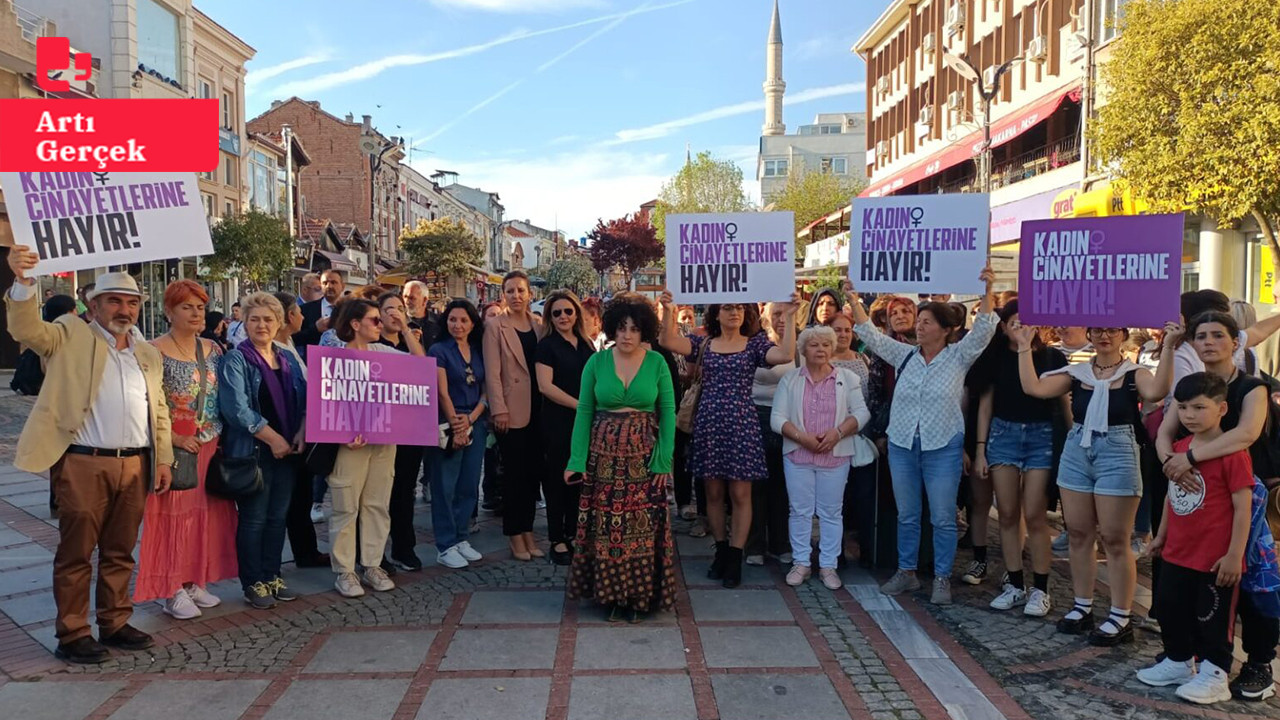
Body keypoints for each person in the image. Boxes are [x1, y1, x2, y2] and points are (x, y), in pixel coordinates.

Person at [5, 247, 172, 664]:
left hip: (135, 462)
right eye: (114, 300)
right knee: (77, 550)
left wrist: (163, 459)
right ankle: (73, 631)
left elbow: (160, 410)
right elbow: (27, 331)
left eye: (132, 302)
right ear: (94, 305)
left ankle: (114, 621)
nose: (124, 309)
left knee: (120, 550)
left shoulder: (146, 352)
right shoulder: (69, 333)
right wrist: (24, 281)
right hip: (83, 460)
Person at [1015, 322, 1179, 644]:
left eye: (1112, 331)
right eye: (1099, 330)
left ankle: (1121, 615)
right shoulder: (1078, 374)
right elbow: (1034, 388)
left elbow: (1157, 392)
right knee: (1077, 532)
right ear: (1090, 335)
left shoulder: (1134, 374)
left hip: (1118, 451)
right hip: (1078, 449)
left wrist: (1170, 346)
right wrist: (1023, 346)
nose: (1105, 336)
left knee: (1115, 538)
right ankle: (1083, 606)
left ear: (1122, 335)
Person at [850, 270, 999, 606]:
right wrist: (852, 299)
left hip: (942, 447)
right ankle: (907, 572)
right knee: (908, 513)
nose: (919, 326)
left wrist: (987, 291)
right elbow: (869, 335)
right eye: (920, 321)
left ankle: (942, 578)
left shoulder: (959, 357)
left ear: (946, 330)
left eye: (928, 322)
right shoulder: (904, 356)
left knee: (943, 516)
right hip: (903, 445)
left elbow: (985, 329)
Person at [1156, 311, 1280, 700]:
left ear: (1235, 341)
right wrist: (1171, 465)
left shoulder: (1250, 387)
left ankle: (1259, 662)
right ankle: (1186, 655)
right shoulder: (1192, 387)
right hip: (1196, 493)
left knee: (1252, 583)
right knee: (1192, 582)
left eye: (1217, 335)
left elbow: (1245, 434)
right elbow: (1164, 433)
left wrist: (1188, 460)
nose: (1208, 342)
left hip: (1247, 492)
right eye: (1201, 336)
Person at [658, 290, 799, 588]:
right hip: (709, 423)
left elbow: (785, 355)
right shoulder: (704, 343)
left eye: (738, 308)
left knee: (741, 494)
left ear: (746, 313)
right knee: (712, 494)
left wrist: (789, 317)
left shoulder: (755, 345)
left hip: (741, 424)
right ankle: (721, 550)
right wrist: (668, 309)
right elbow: (667, 341)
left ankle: (735, 555)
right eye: (727, 308)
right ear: (716, 313)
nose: (733, 312)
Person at [1135, 372, 1253, 705]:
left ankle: (1215, 673)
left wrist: (1234, 554)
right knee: (1171, 608)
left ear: (1222, 409)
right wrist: (1160, 536)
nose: (1189, 415)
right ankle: (1177, 660)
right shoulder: (1180, 449)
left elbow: (1243, 507)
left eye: (1199, 407)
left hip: (1215, 558)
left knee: (1212, 619)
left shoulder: (1232, 453)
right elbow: (1174, 497)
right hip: (1177, 551)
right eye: (1184, 408)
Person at [566, 294, 677, 622]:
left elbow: (667, 411)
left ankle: (639, 596)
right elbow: (585, 411)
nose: (627, 335)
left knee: (641, 528)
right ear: (612, 328)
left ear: (645, 331)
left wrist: (664, 459)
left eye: (635, 328)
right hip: (603, 456)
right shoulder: (596, 363)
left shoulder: (656, 363)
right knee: (606, 527)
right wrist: (576, 460)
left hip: (644, 456)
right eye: (622, 328)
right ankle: (611, 594)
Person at [134, 281, 239, 620]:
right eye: (187, 307)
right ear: (169, 312)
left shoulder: (213, 349)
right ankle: (170, 587)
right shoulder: (152, 350)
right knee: (171, 519)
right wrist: (174, 441)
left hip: (210, 443)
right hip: (175, 447)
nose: (196, 313)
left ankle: (195, 579)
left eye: (200, 307)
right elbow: (148, 402)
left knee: (204, 517)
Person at [970, 301, 1068, 616]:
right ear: (1003, 327)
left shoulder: (1053, 357)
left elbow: (1064, 405)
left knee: (1036, 514)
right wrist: (981, 449)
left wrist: (1068, 442)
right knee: (1009, 513)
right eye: (1014, 322)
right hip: (1003, 436)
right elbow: (985, 407)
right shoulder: (995, 358)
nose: (1021, 327)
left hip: (1041, 437)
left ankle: (1041, 588)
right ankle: (1014, 584)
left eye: (1026, 321)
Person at [326, 298, 424, 596]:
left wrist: (405, 328)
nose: (380, 324)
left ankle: (371, 564)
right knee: (346, 506)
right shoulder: (335, 358)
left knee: (377, 504)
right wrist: (343, 432)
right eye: (374, 320)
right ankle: (344, 570)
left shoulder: (383, 351)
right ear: (355, 324)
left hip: (383, 443)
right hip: (351, 446)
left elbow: (420, 367)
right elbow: (325, 403)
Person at [218, 293, 307, 610]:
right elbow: (237, 410)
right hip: (255, 451)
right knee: (254, 519)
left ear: (279, 322)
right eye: (254, 318)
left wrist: (300, 432)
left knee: (277, 518)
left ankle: (272, 574)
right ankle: (252, 580)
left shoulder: (285, 358)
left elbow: (304, 399)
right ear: (244, 321)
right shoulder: (236, 359)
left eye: (268, 319)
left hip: (287, 452)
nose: (261, 325)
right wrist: (273, 439)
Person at [772, 325, 872, 590]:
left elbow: (862, 414)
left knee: (831, 512)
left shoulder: (848, 378)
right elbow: (777, 419)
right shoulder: (791, 379)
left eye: (826, 345)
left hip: (835, 456)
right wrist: (802, 438)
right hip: (798, 455)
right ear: (803, 350)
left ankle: (829, 565)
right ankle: (801, 562)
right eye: (814, 345)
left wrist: (838, 433)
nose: (821, 350)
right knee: (800, 511)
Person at [483, 271, 546, 560]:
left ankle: (529, 530)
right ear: (503, 295)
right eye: (510, 291)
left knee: (532, 477)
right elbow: (492, 373)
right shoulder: (495, 326)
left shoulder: (538, 325)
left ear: (529, 293)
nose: (516, 296)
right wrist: (499, 409)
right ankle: (514, 534)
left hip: (538, 409)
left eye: (521, 290)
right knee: (514, 477)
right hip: (511, 410)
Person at [426, 299, 489, 569]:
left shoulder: (477, 350)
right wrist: (456, 425)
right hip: (447, 421)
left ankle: (462, 536)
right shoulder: (438, 350)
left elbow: (486, 388)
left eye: (463, 320)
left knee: (468, 484)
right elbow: (441, 391)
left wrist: (473, 418)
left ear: (472, 323)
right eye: (453, 319)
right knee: (445, 486)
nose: (458, 325)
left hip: (475, 419)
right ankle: (446, 543)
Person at [535, 290, 596, 566]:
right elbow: (545, 386)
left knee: (579, 478)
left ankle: (574, 532)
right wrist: (580, 405)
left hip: (585, 422)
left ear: (576, 314)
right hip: (558, 421)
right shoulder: (546, 345)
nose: (562, 316)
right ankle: (557, 538)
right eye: (556, 312)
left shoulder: (586, 343)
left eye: (568, 311)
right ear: (550, 316)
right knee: (557, 479)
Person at [272, 292, 328, 570]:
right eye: (298, 311)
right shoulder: (274, 349)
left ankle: (306, 551)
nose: (304, 316)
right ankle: (276, 561)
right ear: (287, 318)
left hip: (302, 433)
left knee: (301, 497)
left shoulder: (290, 343)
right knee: (286, 500)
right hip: (286, 435)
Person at [377, 291, 429, 570]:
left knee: (404, 490)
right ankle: (376, 553)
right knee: (379, 494)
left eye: (400, 308)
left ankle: (404, 547)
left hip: (408, 428)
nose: (395, 313)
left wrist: (406, 331)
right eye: (389, 309)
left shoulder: (411, 340)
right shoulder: (372, 343)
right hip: (381, 428)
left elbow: (421, 365)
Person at [747, 302, 796, 566]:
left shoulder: (797, 345)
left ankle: (780, 542)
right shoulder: (755, 344)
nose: (780, 319)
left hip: (788, 421)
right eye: (776, 313)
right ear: (765, 316)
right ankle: (754, 544)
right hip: (756, 416)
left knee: (782, 484)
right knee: (756, 485)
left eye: (785, 314)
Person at [10, 294, 76, 396]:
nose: (76, 313)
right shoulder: (56, 335)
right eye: (73, 310)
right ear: (69, 312)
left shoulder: (46, 331)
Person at [479, 301, 505, 514]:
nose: (495, 318)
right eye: (491, 314)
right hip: (485, 407)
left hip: (504, 403)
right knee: (490, 451)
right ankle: (490, 492)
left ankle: (499, 492)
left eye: (498, 314)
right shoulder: (479, 342)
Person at [294, 268, 346, 355]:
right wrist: (315, 329)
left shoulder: (352, 310)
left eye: (333, 282)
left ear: (343, 286)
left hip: (344, 361)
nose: (329, 286)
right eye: (325, 283)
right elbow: (294, 338)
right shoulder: (306, 309)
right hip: (315, 362)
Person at [403, 279, 439, 348]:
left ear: (425, 300)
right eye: (405, 297)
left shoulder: (439, 322)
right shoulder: (398, 323)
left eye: (412, 298)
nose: (407, 302)